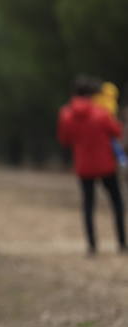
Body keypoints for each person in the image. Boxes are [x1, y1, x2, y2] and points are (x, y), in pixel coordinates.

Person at [58, 75, 126, 256]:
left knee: (88, 205)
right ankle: (122, 242)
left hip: (84, 165)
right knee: (117, 203)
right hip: (106, 164)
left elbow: (64, 139)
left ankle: (92, 246)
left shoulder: (66, 114)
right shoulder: (101, 113)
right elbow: (117, 132)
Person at [92, 81, 128, 168]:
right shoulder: (110, 100)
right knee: (114, 144)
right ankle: (123, 161)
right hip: (109, 126)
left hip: (99, 128)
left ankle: (122, 160)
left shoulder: (96, 99)